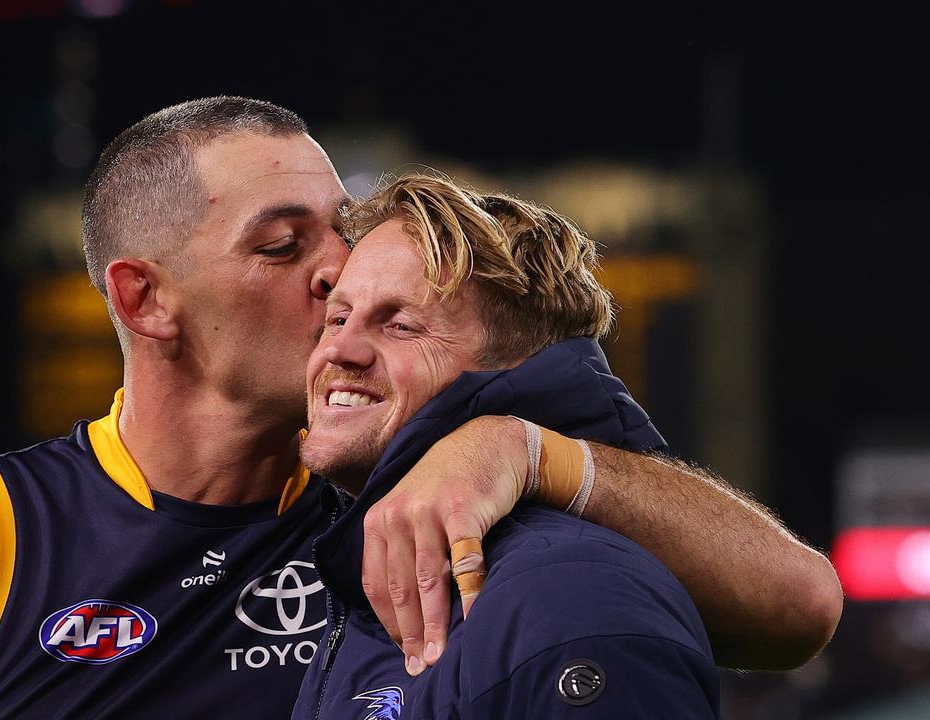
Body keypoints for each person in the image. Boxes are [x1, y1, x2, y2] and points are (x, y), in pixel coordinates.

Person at [0, 98, 838, 719]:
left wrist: (523, 449)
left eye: (338, 233)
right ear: (142, 299)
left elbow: (794, 608)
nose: (335, 273)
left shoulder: (423, 475)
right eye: (282, 244)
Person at [294, 175, 723, 717]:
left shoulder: (569, 598)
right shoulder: (368, 572)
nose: (339, 349)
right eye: (338, 317)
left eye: (401, 326)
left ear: (512, 370)